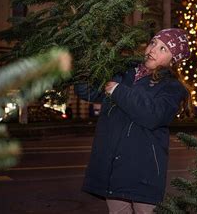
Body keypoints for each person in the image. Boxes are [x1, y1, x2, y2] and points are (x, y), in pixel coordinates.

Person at [75, 28, 190, 214]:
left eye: (163, 49)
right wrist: (84, 66)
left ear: (173, 60)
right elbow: (88, 91)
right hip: (114, 166)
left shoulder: (171, 87)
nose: (153, 49)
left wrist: (118, 91)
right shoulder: (123, 74)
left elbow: (153, 115)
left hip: (143, 170)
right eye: (153, 43)